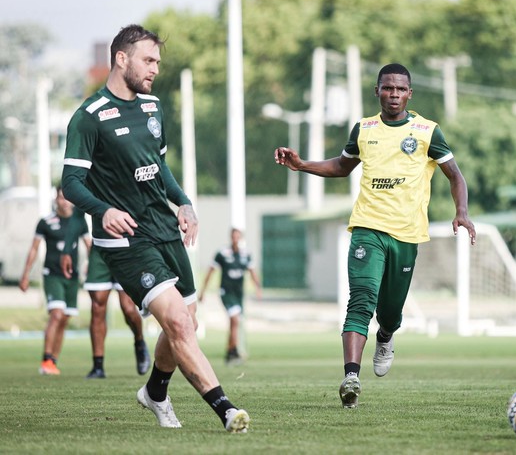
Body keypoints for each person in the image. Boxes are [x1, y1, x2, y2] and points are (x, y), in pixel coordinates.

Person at [62, 24, 249, 433]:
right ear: (121, 59)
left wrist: (183, 202)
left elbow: (159, 167)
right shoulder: (89, 118)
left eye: (158, 62)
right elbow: (71, 183)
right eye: (148, 60)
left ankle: (155, 393)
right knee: (180, 323)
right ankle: (226, 409)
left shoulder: (152, 108)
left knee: (187, 321)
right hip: (125, 239)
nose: (155, 69)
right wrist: (103, 209)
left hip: (165, 229)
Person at [274, 63, 476, 408]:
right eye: (387, 88)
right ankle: (351, 376)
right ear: (377, 91)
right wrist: (302, 164)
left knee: (390, 312)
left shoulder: (427, 131)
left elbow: (454, 175)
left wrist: (461, 212)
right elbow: (342, 166)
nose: (393, 94)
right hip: (367, 227)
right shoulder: (364, 129)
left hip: (407, 235)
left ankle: (386, 336)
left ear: (410, 93)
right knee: (361, 300)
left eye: (400, 89)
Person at [60, 208, 151, 379]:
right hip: (100, 250)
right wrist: (66, 250)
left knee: (128, 308)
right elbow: (78, 215)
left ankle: (139, 342)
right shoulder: (91, 181)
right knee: (97, 306)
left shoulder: (126, 181)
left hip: (127, 248)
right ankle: (98, 366)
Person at [19, 185, 90, 375]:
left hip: (72, 277)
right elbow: (34, 249)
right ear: (55, 199)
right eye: (60, 198)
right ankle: (46, 359)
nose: (64, 202)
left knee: (64, 318)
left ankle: (53, 362)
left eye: (67, 198)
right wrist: (25, 274)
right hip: (52, 275)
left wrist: (92, 265)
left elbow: (89, 245)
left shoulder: (79, 222)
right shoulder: (45, 222)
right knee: (56, 314)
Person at [198, 228, 263, 365]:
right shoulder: (222, 253)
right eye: (233, 236)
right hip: (226, 293)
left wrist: (258, 288)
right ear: (230, 237)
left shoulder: (246, 254)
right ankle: (233, 351)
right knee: (234, 320)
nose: (235, 239)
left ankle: (230, 351)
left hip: (239, 294)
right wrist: (203, 291)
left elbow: (252, 272)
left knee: (235, 322)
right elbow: (210, 272)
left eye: (238, 237)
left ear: (241, 238)